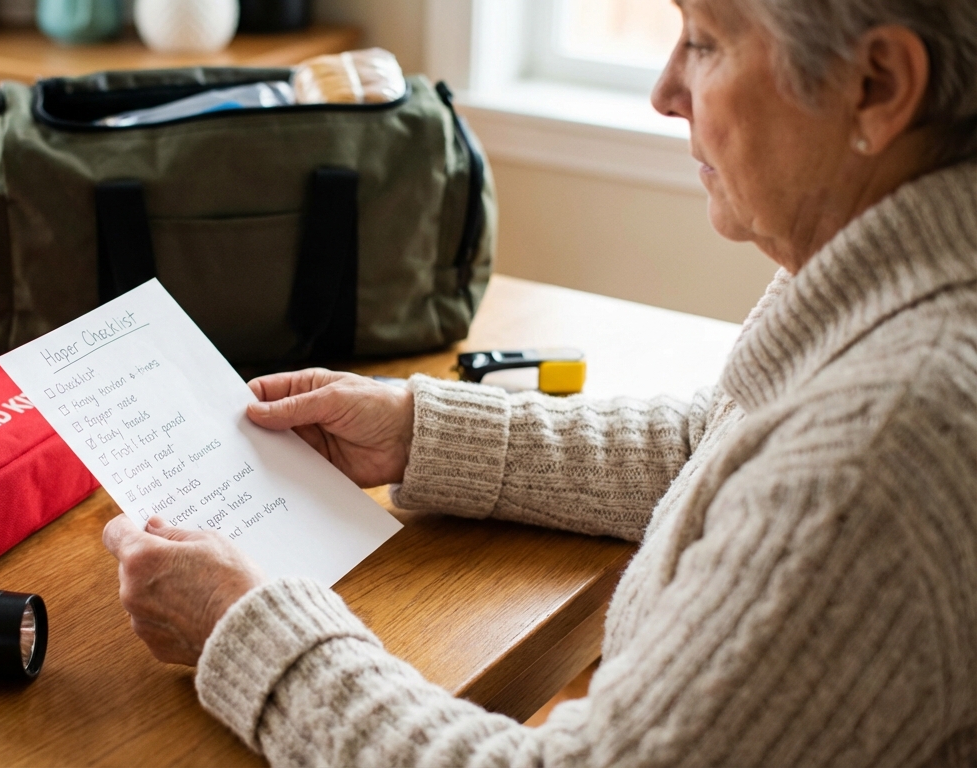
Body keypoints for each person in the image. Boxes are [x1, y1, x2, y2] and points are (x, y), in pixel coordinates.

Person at [103, 0, 977, 763]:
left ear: (877, 85)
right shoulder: (894, 268)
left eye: (707, 41)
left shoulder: (878, 456)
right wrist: (419, 432)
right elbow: (715, 445)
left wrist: (244, 629)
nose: (665, 91)